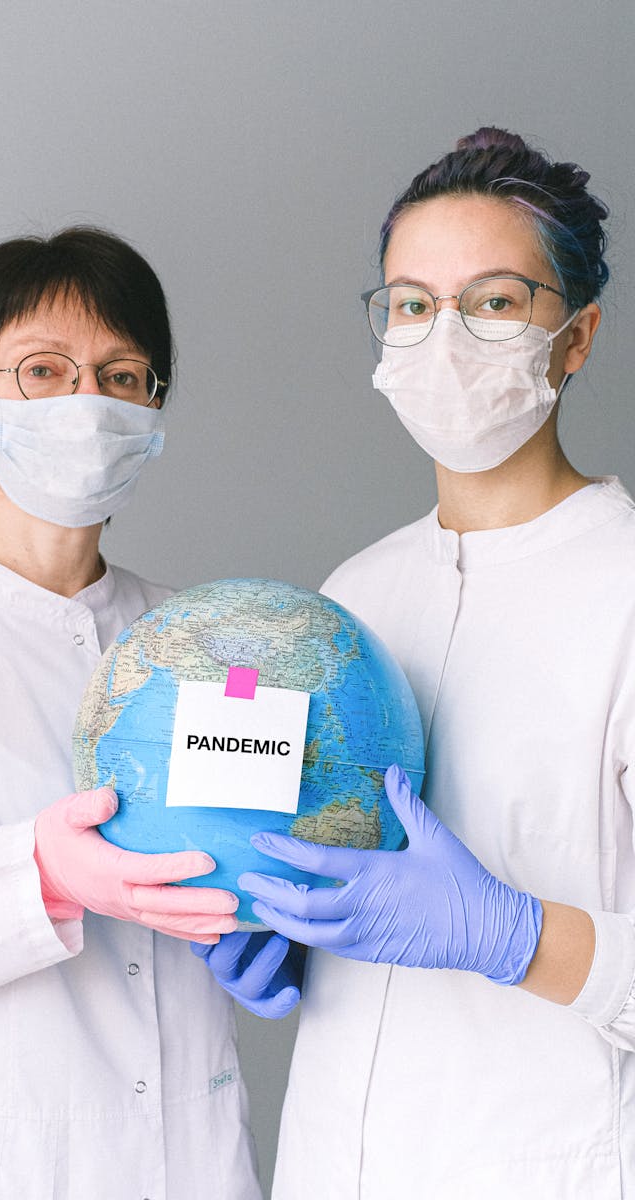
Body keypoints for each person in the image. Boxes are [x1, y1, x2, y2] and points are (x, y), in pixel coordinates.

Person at [197, 128, 634, 1197]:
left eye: (491, 301)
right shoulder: (353, 596)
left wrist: (512, 936)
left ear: (572, 340)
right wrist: (281, 933)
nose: (441, 335)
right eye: (408, 302)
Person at [0, 226, 261, 1199]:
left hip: (186, 1163)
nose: (87, 402)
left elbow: (246, 855)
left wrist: (275, 925)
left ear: (152, 414)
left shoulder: (207, 645)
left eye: (121, 375)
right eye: (42, 370)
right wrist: (32, 877)